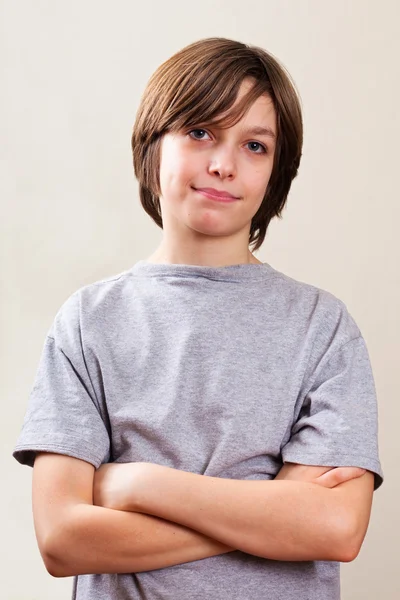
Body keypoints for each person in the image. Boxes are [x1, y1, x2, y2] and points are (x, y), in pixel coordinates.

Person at [13, 37, 383, 600]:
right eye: (200, 131)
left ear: (277, 171)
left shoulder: (323, 326)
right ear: (152, 145)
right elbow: (63, 539)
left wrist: (134, 484)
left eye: (255, 145)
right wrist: (274, 514)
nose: (222, 164)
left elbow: (334, 527)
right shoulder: (87, 323)